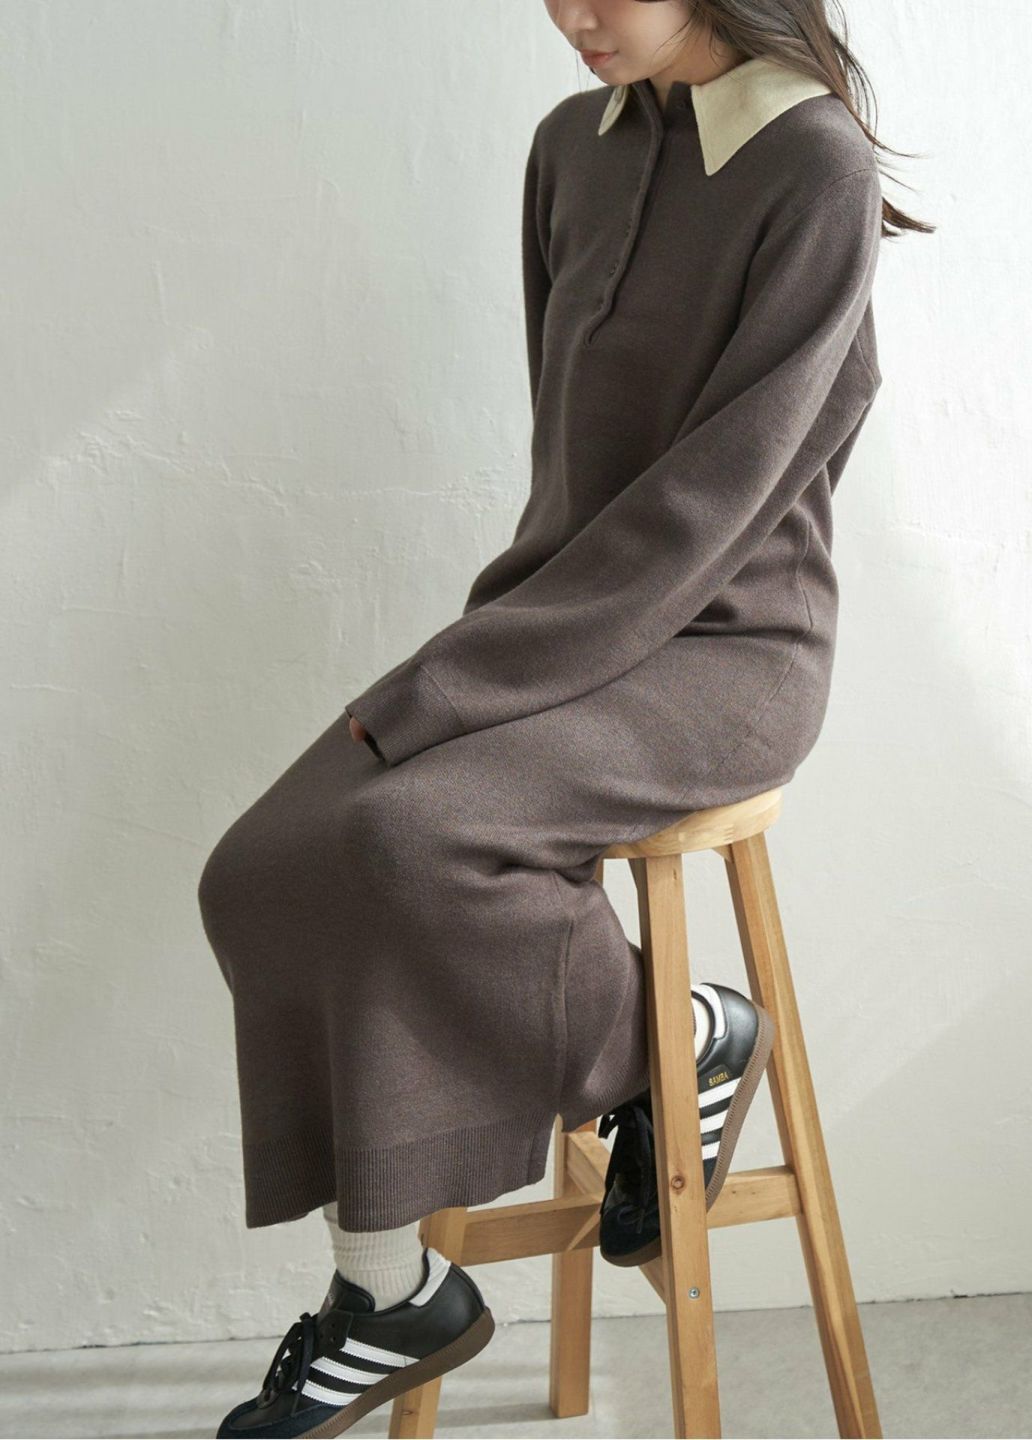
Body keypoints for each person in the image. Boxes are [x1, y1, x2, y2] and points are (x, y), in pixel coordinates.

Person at [200, 1, 930, 1434]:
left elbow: (709, 506)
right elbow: (569, 458)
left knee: (411, 837)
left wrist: (465, 683)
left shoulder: (815, 168)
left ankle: (678, 1038)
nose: (576, 16)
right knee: (261, 867)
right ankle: (401, 1283)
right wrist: (503, 645)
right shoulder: (566, 151)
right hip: (562, 619)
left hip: (726, 650)